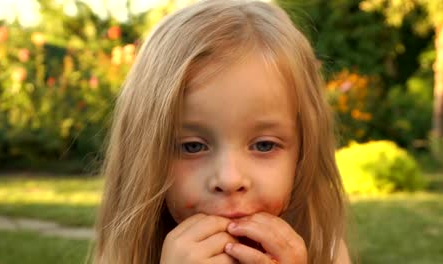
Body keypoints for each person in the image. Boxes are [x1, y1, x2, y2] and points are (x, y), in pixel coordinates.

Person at [91, 0, 351, 263]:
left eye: (264, 145)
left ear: (303, 152)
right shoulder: (126, 252)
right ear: (143, 154)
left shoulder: (324, 248)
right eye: (192, 146)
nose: (229, 179)